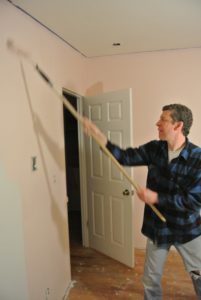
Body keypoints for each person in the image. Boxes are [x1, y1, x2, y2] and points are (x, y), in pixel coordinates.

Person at [82, 103, 201, 299]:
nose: (157, 123)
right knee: (150, 280)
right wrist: (99, 136)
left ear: (178, 126)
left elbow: (194, 202)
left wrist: (157, 198)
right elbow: (124, 157)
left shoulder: (198, 158)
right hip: (157, 228)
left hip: (187, 229)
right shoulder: (154, 149)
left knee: (199, 276)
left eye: (163, 119)